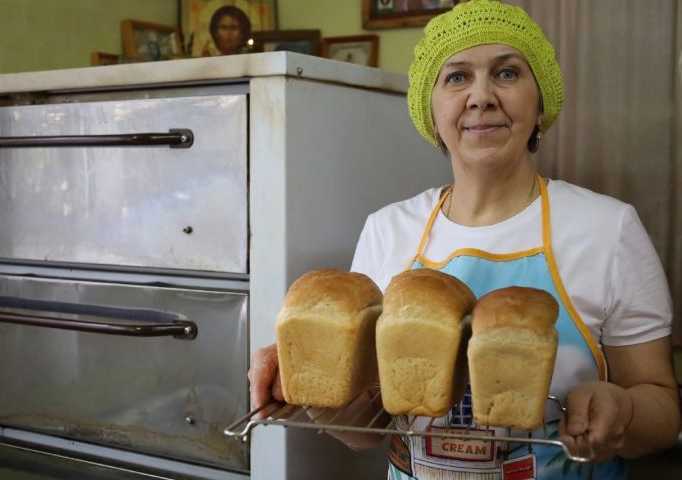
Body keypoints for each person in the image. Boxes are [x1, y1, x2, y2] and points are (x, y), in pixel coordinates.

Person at [248, 0, 681, 478]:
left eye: (508, 73)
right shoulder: (387, 229)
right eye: (456, 77)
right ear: (432, 115)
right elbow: (364, 429)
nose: (481, 96)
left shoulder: (608, 230)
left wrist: (623, 411)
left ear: (540, 106)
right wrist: (308, 389)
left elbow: (663, 414)